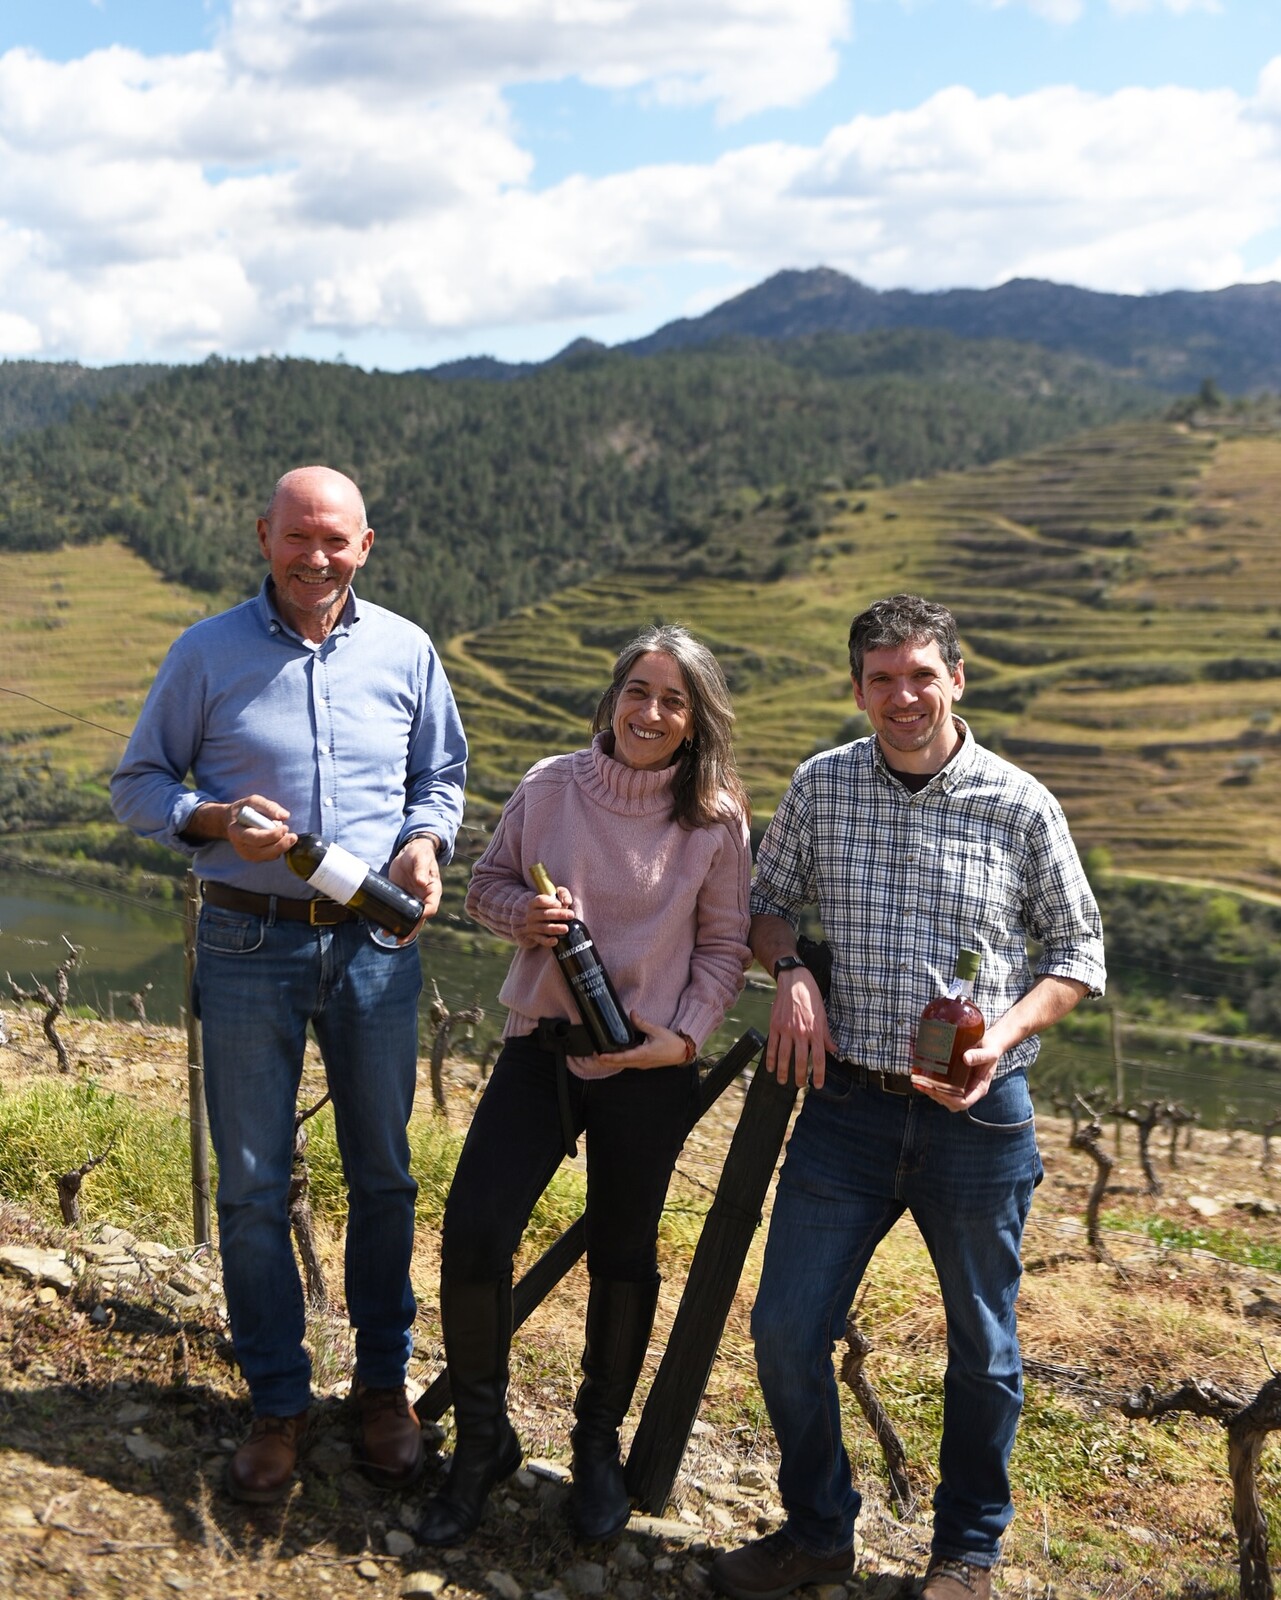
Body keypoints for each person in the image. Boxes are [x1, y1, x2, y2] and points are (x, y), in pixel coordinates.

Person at [710, 594, 1105, 1600]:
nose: (901, 696)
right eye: (880, 679)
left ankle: (966, 1552)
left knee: (983, 1347)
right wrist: (790, 968)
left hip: (981, 1119)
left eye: (920, 675)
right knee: (787, 1332)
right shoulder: (822, 786)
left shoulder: (1021, 805)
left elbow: (1077, 955)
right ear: (857, 689)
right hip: (847, 1110)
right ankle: (819, 1532)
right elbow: (764, 905)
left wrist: (1003, 1038)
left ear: (956, 680)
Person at [111, 466, 467, 1504]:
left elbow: (438, 777)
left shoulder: (407, 650)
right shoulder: (205, 652)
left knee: (386, 1177)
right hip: (245, 940)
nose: (316, 556)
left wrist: (424, 844)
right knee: (254, 1186)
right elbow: (138, 787)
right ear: (262, 535)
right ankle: (276, 1402)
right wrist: (215, 820)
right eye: (297, 536)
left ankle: (381, 1389)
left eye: (336, 540)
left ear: (367, 546)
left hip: (373, 945)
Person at [417, 624, 752, 1547]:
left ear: (695, 721)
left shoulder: (716, 819)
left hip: (643, 1064)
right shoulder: (550, 786)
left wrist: (680, 1038)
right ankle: (482, 1440)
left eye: (672, 700)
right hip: (542, 1049)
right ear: (611, 698)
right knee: (475, 1229)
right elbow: (483, 885)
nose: (650, 712)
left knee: (623, 1254)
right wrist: (519, 914)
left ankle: (596, 1447)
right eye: (637, 691)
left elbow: (724, 946)